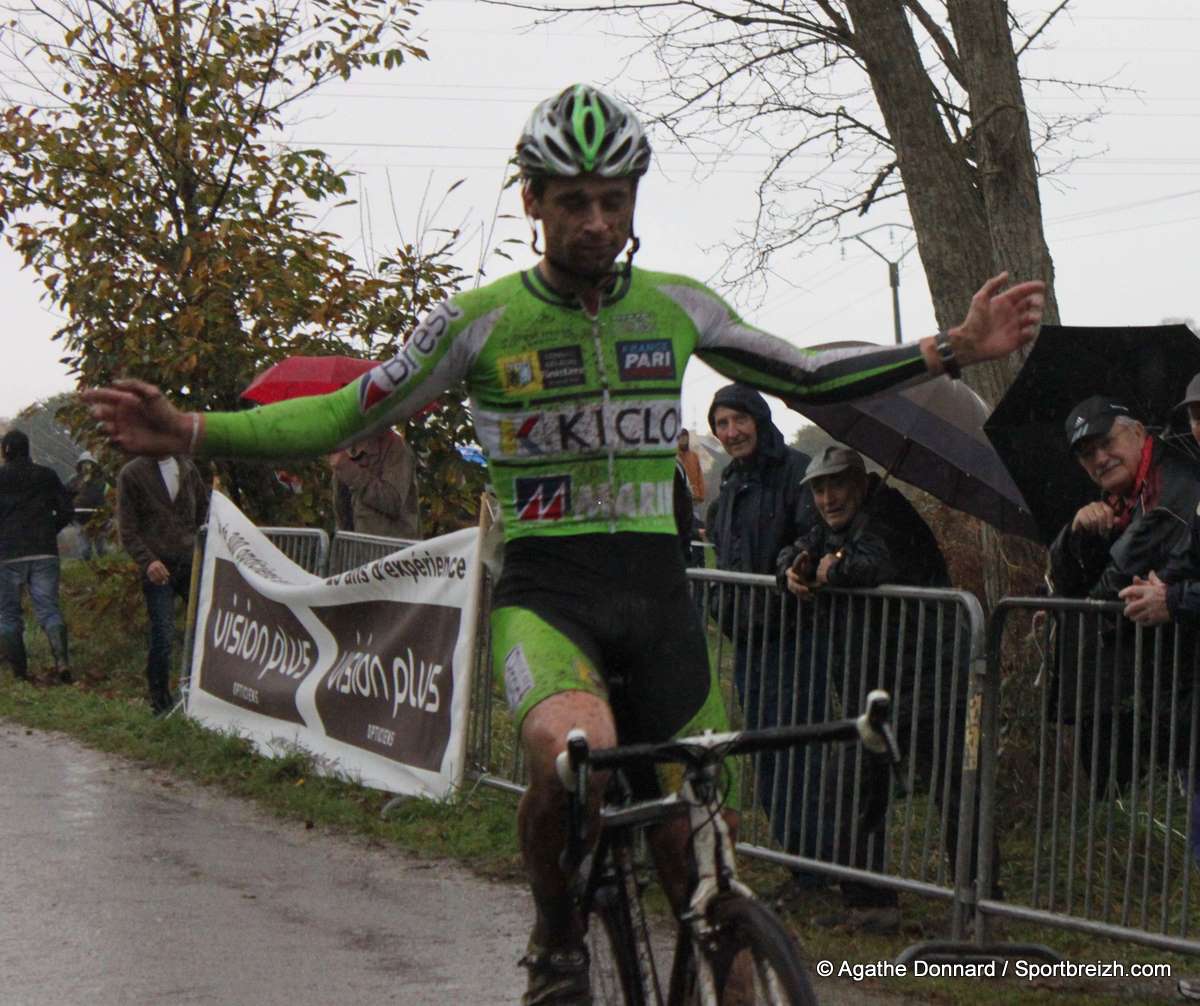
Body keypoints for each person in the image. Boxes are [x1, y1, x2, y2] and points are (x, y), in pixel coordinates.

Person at [84, 83, 1044, 1005]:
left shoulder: (679, 305)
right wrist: (194, 431)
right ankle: (555, 937)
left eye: (614, 200)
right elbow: (346, 410)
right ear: (534, 201)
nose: (596, 220)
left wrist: (950, 347)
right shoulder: (480, 320)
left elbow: (808, 378)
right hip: (551, 597)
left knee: (704, 863)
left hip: (660, 599)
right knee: (574, 751)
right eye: (574, 200)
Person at [777, 445, 960, 933]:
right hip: (871, 683)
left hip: (926, 675)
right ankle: (869, 904)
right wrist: (792, 571)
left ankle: (980, 907)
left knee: (955, 791)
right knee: (855, 786)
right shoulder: (836, 526)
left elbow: (873, 565)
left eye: (837, 484)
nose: (828, 497)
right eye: (818, 488)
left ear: (859, 484)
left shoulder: (890, 515)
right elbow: (797, 549)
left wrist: (829, 570)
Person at [705, 383, 825, 893]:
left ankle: (814, 869)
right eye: (721, 425)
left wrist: (795, 565)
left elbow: (811, 535)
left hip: (796, 639)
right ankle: (799, 866)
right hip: (749, 642)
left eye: (738, 421)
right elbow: (725, 552)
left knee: (800, 755)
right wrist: (720, 605)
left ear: (758, 418)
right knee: (769, 759)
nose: (731, 433)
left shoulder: (796, 473)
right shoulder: (730, 484)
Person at [1048, 395, 1200, 792]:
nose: (1100, 459)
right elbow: (1070, 583)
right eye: (1086, 453)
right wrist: (1077, 533)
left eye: (1106, 443)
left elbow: (1109, 593)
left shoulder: (1169, 492)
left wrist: (1071, 602)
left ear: (1137, 433)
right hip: (1171, 685)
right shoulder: (1123, 498)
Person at [117, 452, 208, 714]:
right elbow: (127, 529)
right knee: (163, 633)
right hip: (158, 565)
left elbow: (203, 512)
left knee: (206, 627)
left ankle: (202, 695)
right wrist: (148, 561)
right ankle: (160, 701)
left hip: (190, 561)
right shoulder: (132, 473)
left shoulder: (188, 468)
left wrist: (202, 547)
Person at [0, 429, 74, 685]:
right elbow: (66, 509)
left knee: (9, 614)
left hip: (7, 554)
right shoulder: (46, 475)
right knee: (48, 608)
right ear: (28, 449)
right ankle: (62, 662)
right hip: (43, 551)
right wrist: (49, 530)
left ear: (4, 450)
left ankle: (20, 673)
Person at [330, 427, 421, 540]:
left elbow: (392, 501)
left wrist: (350, 470)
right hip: (357, 551)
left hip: (390, 551)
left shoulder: (395, 447)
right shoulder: (346, 450)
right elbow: (342, 513)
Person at [66, 451, 110, 559]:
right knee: (84, 550)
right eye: (84, 463)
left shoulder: (102, 481)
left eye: (89, 463)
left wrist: (108, 514)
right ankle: (86, 568)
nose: (86, 466)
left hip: (99, 518)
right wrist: (68, 513)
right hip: (80, 518)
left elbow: (110, 497)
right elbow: (65, 497)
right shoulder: (73, 481)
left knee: (102, 549)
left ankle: (103, 570)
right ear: (80, 465)